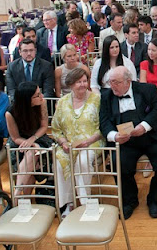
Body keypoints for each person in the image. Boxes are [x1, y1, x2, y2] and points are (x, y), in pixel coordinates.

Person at [99, 66, 157, 219]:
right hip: (126, 141)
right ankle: (130, 200)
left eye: (116, 82)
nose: (112, 85)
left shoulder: (147, 90)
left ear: (128, 81)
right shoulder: (107, 96)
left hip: (152, 136)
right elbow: (104, 122)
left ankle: (154, 199)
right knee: (118, 163)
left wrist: (144, 126)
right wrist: (114, 136)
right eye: (110, 82)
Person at [52, 68, 104, 217]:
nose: (82, 84)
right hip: (69, 144)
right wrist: (63, 143)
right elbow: (56, 129)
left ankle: (84, 201)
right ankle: (68, 203)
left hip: (92, 141)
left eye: (84, 81)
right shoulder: (62, 102)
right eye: (78, 82)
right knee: (60, 161)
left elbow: (103, 126)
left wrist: (89, 141)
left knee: (83, 160)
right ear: (70, 85)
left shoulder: (96, 99)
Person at [5, 81, 54, 195]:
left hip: (38, 136)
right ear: (28, 100)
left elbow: (43, 126)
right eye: (37, 95)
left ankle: (18, 194)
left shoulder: (42, 103)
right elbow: (15, 137)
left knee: (32, 155)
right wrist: (30, 144)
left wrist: (33, 140)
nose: (41, 96)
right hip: (19, 141)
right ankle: (22, 198)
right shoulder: (10, 113)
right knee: (30, 161)